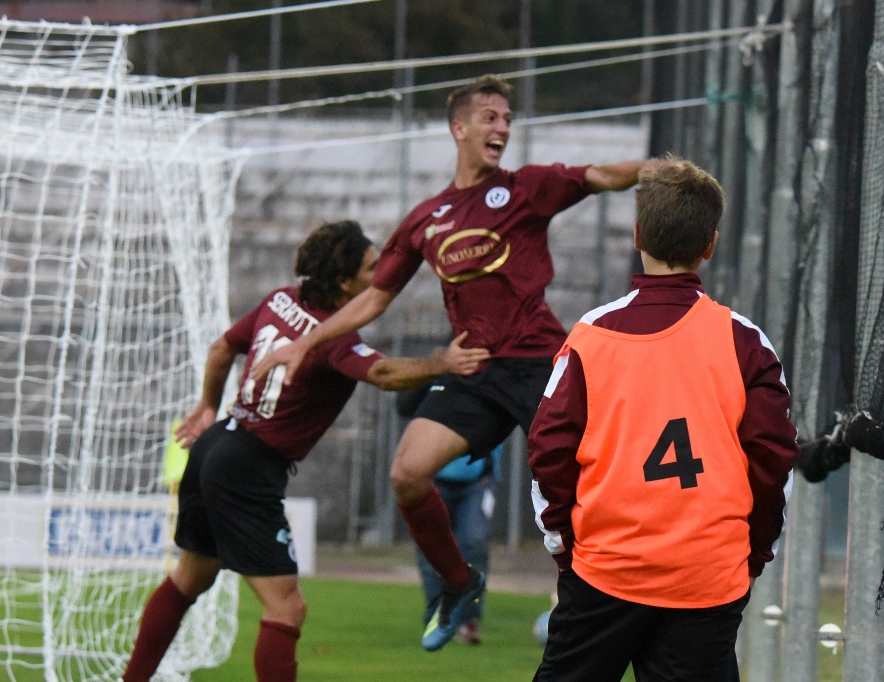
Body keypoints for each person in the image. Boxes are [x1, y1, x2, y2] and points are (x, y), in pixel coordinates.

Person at [251, 74, 667, 651]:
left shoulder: (527, 189)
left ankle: (602, 598)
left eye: (506, 119)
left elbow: (601, 177)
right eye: (490, 117)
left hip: (537, 364)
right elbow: (374, 299)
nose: (502, 128)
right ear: (460, 128)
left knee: (579, 485)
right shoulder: (427, 218)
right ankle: (459, 583)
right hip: (472, 368)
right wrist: (305, 342)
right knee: (407, 472)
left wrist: (664, 170)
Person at [120, 220, 489, 682]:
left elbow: (221, 348)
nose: (382, 275)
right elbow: (384, 375)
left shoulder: (279, 300)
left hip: (217, 443)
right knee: (287, 608)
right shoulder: (334, 339)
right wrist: (440, 363)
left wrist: (207, 406)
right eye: (372, 267)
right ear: (344, 282)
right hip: (248, 468)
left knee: (188, 578)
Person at [527, 157, 799, 682]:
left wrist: (563, 544)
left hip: (606, 567)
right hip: (707, 575)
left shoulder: (591, 333)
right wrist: (753, 553)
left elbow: (548, 448)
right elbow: (774, 459)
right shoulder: (745, 340)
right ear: (710, 244)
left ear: (636, 235)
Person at [396, 383, 502, 645]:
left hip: (478, 480)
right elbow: (404, 406)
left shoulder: (497, 373)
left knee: (473, 542)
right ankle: (437, 615)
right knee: (432, 552)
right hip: (433, 479)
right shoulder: (439, 372)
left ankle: (468, 620)